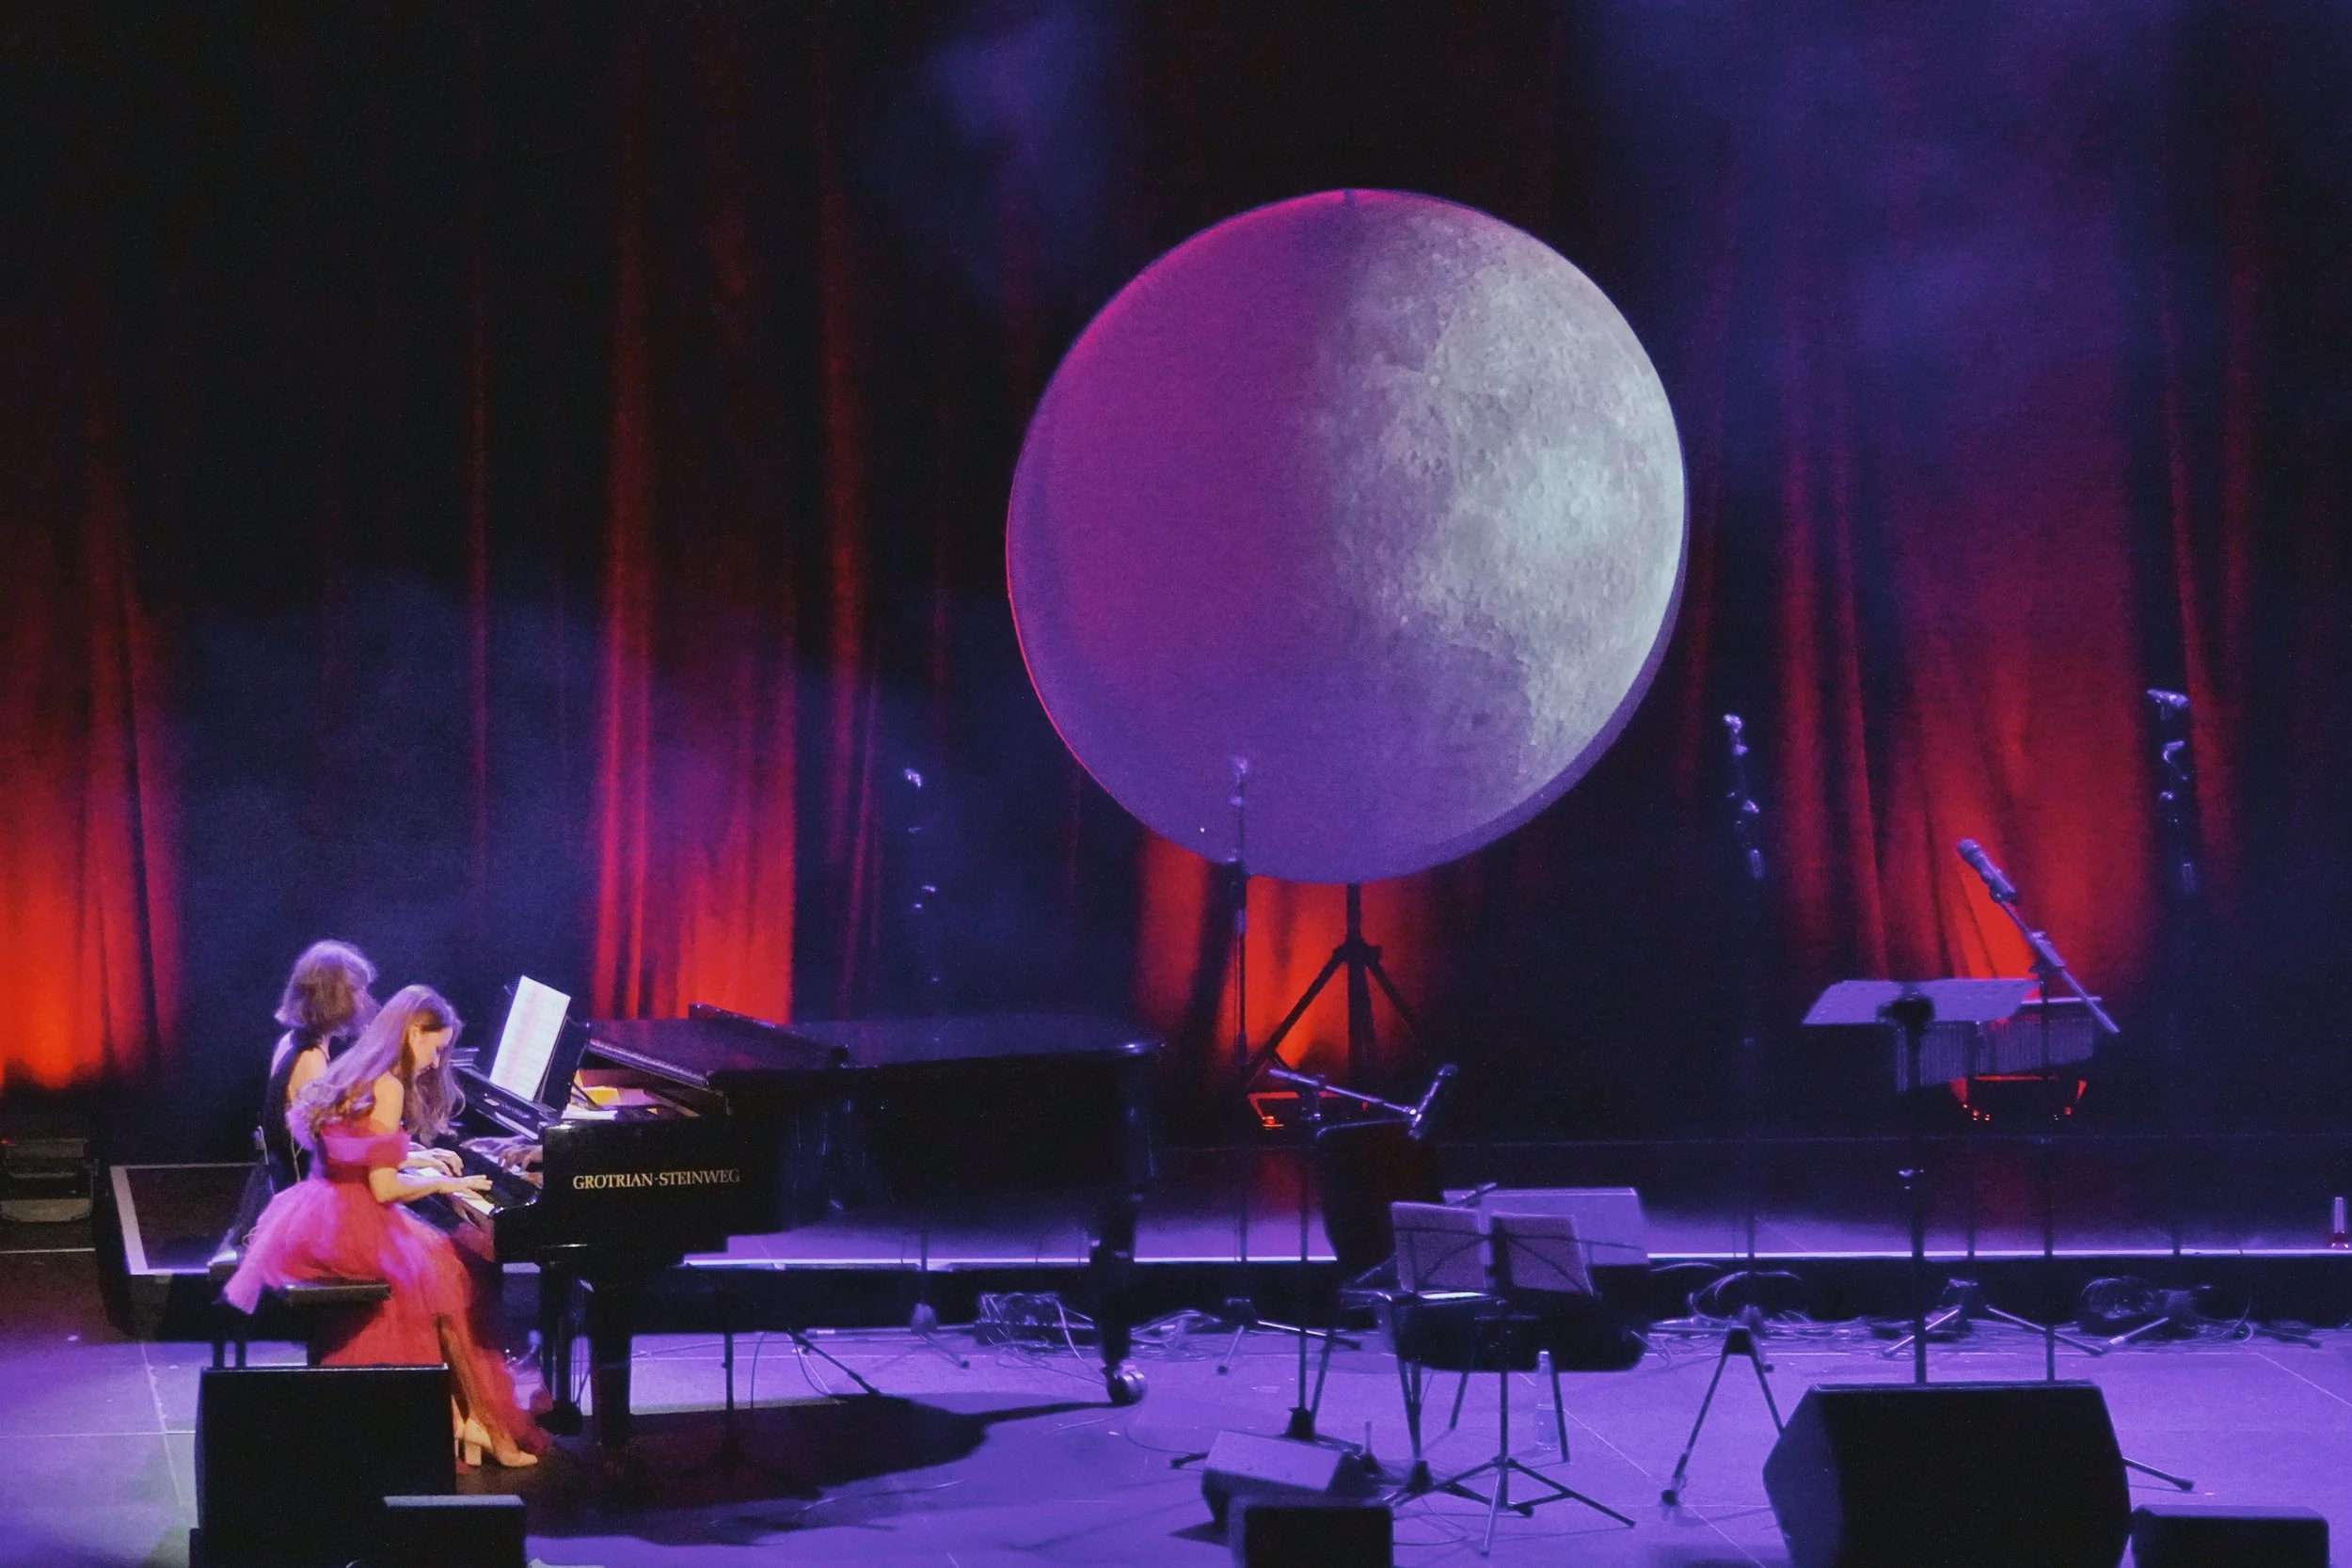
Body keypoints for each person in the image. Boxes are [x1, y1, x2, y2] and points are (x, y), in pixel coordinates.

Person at [225, 985, 546, 1467]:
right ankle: (483, 1426)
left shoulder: (359, 1069)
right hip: (354, 1219)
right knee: (453, 1282)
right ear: (414, 1031)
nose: (438, 1063)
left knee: (447, 1279)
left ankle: (468, 1421)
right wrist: (440, 1183)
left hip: (318, 1207)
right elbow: (383, 1190)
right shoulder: (390, 1086)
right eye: (437, 1048)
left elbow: (358, 1150)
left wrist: (416, 1156)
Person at [260, 942, 380, 1190]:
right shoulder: (310, 1058)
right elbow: (326, 1150)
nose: (367, 1001)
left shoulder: (291, 1040)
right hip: (303, 1192)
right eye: (358, 990)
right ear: (332, 996)